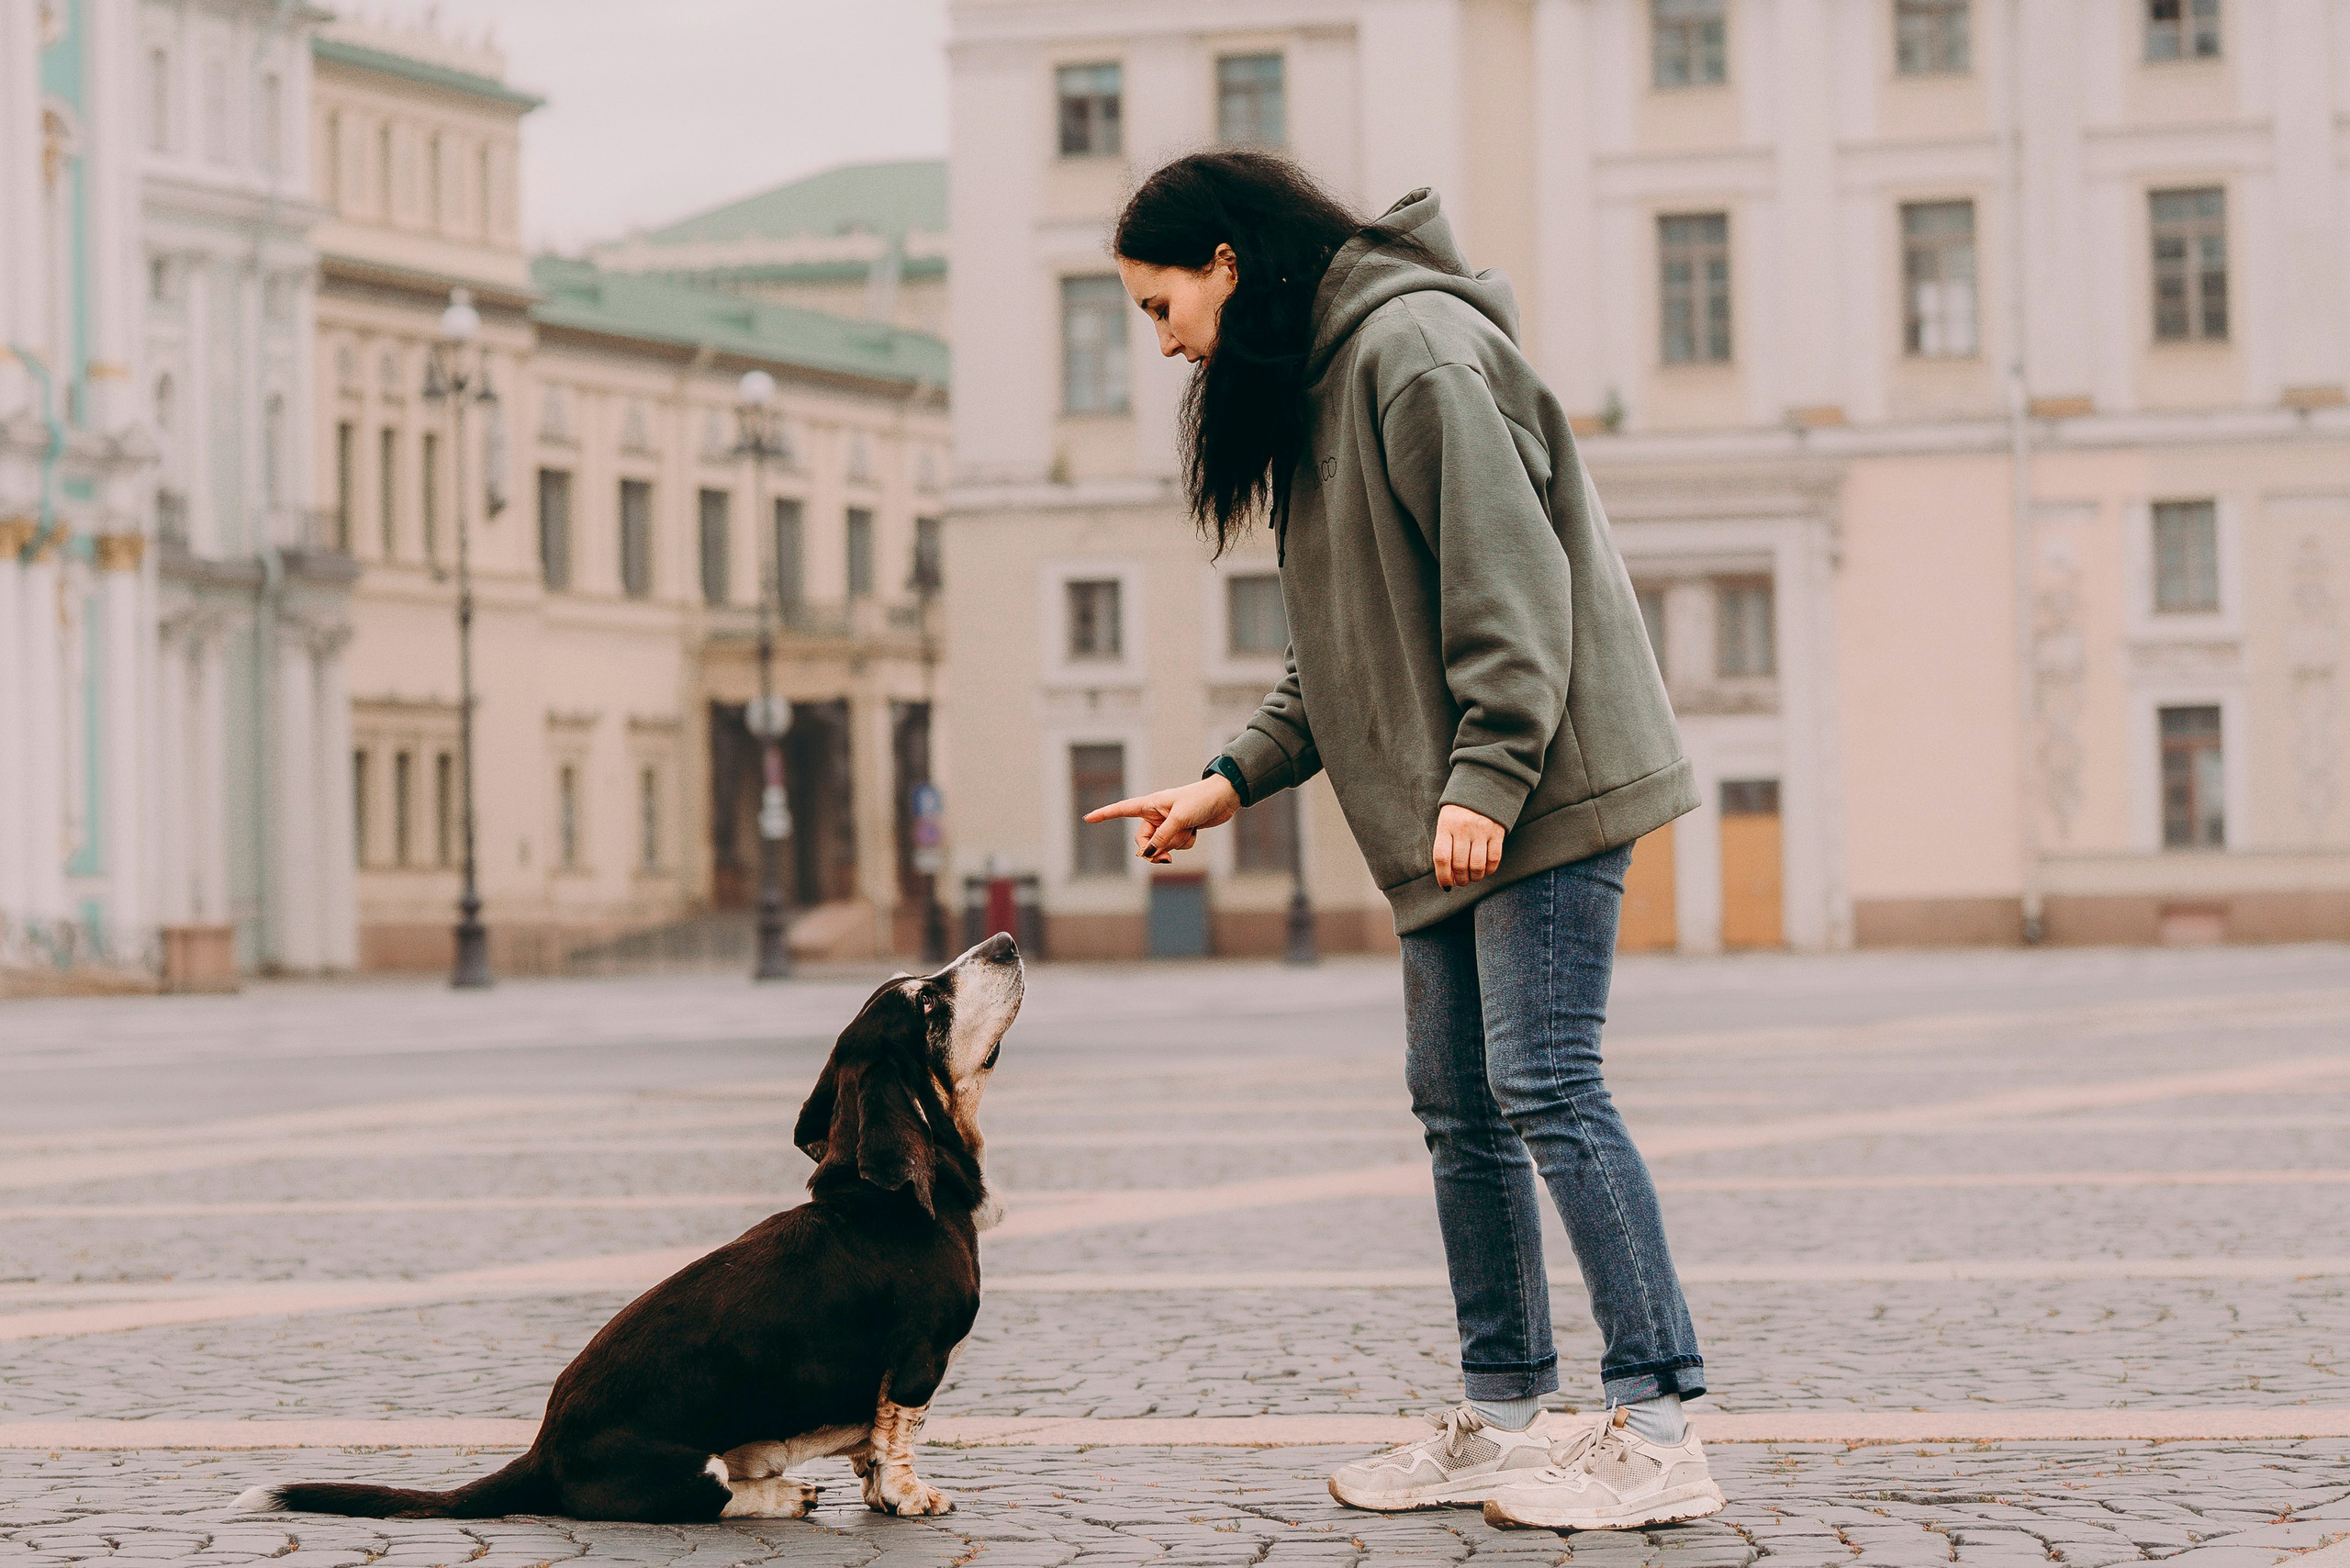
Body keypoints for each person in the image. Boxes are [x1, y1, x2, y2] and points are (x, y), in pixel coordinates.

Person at [1083, 151, 1723, 1534]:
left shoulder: (1413, 352)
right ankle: (1503, 1421)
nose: (1163, 339)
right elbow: (1344, 652)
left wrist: (1487, 779)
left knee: (1545, 1082)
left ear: (1226, 265)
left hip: (1535, 785)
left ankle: (1663, 1426)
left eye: (1158, 306)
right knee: (1459, 1113)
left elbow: (1513, 583)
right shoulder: (1323, 384)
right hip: (1456, 807)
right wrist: (1222, 782)